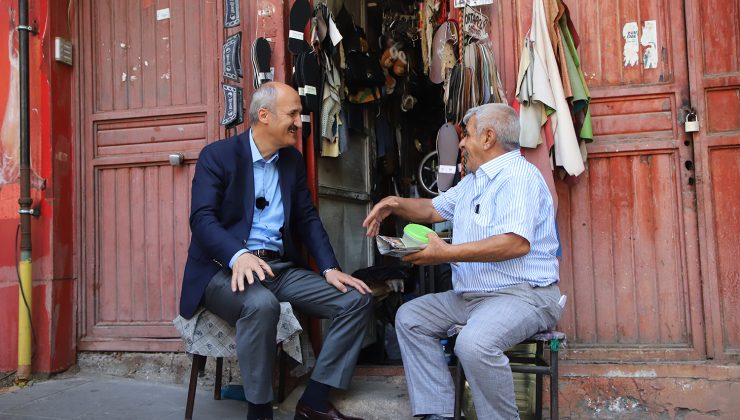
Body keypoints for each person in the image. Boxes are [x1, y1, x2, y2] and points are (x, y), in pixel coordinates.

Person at [180, 82, 372, 420]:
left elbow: (308, 219)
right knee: (260, 305)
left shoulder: (291, 162)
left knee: (354, 300)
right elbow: (202, 219)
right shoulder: (218, 156)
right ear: (264, 115)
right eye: (294, 113)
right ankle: (259, 412)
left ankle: (314, 400)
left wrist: (329, 268)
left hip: (278, 269)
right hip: (222, 269)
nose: (300, 121)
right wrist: (238, 256)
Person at [363, 103, 563, 420]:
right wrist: (393, 203)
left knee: (473, 344)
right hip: (473, 297)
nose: (461, 144)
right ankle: (438, 413)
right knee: (411, 318)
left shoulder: (518, 177)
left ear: (487, 137)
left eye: (466, 135)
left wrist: (444, 253)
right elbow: (432, 210)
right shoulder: (474, 181)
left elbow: (515, 243)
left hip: (524, 295)